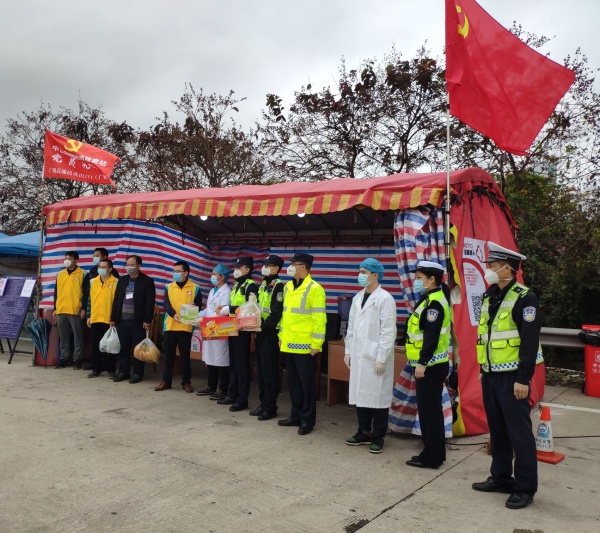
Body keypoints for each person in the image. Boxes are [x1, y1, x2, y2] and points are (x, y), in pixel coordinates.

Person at [472, 242, 543, 510]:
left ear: (507, 268)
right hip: (491, 375)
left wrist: (523, 379)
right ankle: (501, 477)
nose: (488, 270)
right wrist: (484, 369)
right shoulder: (490, 295)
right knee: (498, 429)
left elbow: (529, 341)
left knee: (519, 434)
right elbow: (486, 336)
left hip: (514, 377)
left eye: (492, 266)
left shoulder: (525, 298)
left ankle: (524, 488)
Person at [344, 258, 396, 454]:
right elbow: (351, 327)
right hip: (359, 355)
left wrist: (382, 357)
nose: (360, 275)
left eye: (364, 272)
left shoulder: (385, 299)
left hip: (375, 356)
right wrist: (348, 351)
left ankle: (378, 435)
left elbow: (388, 332)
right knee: (361, 394)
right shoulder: (358, 298)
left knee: (378, 397)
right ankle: (363, 431)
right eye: (360, 271)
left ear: (375, 275)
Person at [405, 260, 452, 470]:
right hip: (430, 364)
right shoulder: (429, 298)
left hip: (430, 366)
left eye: (419, 278)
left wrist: (422, 363)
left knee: (429, 413)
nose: (415, 281)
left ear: (431, 279)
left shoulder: (434, 304)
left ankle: (431, 457)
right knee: (430, 411)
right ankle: (434, 453)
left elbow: (431, 337)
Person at [277, 252, 326, 436]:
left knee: (307, 385)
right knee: (293, 382)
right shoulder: (288, 286)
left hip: (305, 345)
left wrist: (316, 343)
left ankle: (307, 420)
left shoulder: (315, 288)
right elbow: (285, 314)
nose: (290, 267)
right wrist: (281, 335)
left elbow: (319, 318)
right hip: (288, 342)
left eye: (293, 264)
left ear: (302, 266)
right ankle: (295, 415)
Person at [215, 257, 258, 412]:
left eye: (240, 267)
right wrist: (225, 308)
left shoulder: (250, 286)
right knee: (233, 363)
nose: (236, 270)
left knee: (242, 365)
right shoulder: (237, 285)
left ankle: (242, 399)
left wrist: (230, 309)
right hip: (233, 327)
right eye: (236, 267)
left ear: (247, 269)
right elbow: (235, 305)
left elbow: (250, 307)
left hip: (243, 330)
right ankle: (232, 394)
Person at [155, 261, 202, 393]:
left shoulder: (195, 288)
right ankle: (166, 381)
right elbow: (166, 303)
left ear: (185, 273)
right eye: (174, 271)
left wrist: (195, 306)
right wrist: (173, 314)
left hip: (186, 326)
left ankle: (186, 382)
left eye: (178, 271)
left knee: (185, 356)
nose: (175, 273)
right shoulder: (169, 287)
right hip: (170, 325)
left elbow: (199, 305)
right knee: (168, 355)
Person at [110, 255, 156, 384]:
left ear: (138, 266)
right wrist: (113, 318)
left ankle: (138, 373)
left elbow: (150, 302)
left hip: (138, 321)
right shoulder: (122, 280)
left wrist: (147, 320)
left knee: (138, 348)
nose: (129, 267)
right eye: (127, 265)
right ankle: (124, 372)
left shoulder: (147, 281)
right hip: (122, 320)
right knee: (123, 347)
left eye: (132, 265)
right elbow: (116, 300)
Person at [250, 255, 285, 421]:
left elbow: (276, 312)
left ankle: (270, 407)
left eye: (268, 265)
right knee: (262, 371)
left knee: (270, 372)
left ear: (276, 268)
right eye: (264, 264)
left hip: (270, 333)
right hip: (260, 330)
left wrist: (263, 326)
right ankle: (263, 403)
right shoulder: (264, 284)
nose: (264, 267)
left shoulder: (279, 286)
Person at [196, 264, 232, 400]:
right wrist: (197, 315)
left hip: (219, 328)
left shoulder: (226, 291)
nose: (212, 276)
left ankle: (222, 388)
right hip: (209, 327)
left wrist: (205, 320)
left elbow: (222, 312)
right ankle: (211, 386)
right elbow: (209, 310)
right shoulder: (212, 291)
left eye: (215, 274)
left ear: (222, 277)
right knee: (210, 357)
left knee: (221, 358)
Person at [81, 247, 120, 370]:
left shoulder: (117, 282)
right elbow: (89, 300)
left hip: (109, 319)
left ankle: (110, 369)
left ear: (110, 269)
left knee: (110, 344)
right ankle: (96, 368)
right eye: (100, 267)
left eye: (104, 267)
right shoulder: (93, 281)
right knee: (95, 344)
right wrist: (89, 316)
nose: (101, 269)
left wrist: (114, 318)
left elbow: (117, 302)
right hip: (96, 317)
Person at [54, 251, 86, 369]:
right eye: (66, 258)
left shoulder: (83, 274)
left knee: (78, 336)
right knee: (63, 336)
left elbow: (86, 293)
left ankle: (78, 359)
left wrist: (83, 309)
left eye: (70, 258)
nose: (67, 260)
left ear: (76, 260)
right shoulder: (60, 274)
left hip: (75, 310)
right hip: (61, 309)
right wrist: (55, 308)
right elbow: (56, 293)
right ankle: (64, 358)